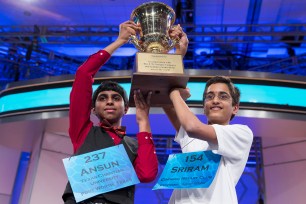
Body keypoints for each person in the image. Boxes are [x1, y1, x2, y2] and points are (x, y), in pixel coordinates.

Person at [62, 20, 160, 204]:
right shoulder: (82, 131)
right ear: (93, 108)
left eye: (116, 98)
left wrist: (144, 122)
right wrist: (119, 41)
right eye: (102, 98)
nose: (109, 101)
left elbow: (147, 175)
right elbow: (83, 75)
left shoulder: (134, 145)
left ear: (126, 108)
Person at [163, 76, 254, 203]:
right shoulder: (192, 136)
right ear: (204, 107)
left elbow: (192, 127)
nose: (215, 101)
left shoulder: (241, 132)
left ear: (235, 108)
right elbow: (166, 103)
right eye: (209, 97)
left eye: (223, 96)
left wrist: (175, 94)